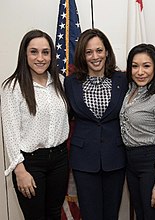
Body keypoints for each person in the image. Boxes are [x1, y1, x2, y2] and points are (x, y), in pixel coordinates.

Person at [1, 29, 69, 219]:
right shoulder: (13, 87)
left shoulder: (61, 82)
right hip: (30, 164)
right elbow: (11, 132)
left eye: (45, 52)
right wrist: (19, 170)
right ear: (25, 54)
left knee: (54, 214)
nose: (40, 58)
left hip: (60, 159)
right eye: (34, 52)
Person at [64, 28, 128, 220]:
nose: (95, 56)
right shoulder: (70, 83)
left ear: (107, 51)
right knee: (90, 214)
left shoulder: (123, 80)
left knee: (111, 214)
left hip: (115, 157)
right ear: (82, 55)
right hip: (84, 159)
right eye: (89, 52)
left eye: (99, 50)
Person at [120, 43, 155, 220]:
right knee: (140, 214)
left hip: (152, 163)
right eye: (135, 66)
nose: (140, 72)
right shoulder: (131, 91)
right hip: (132, 163)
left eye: (146, 66)